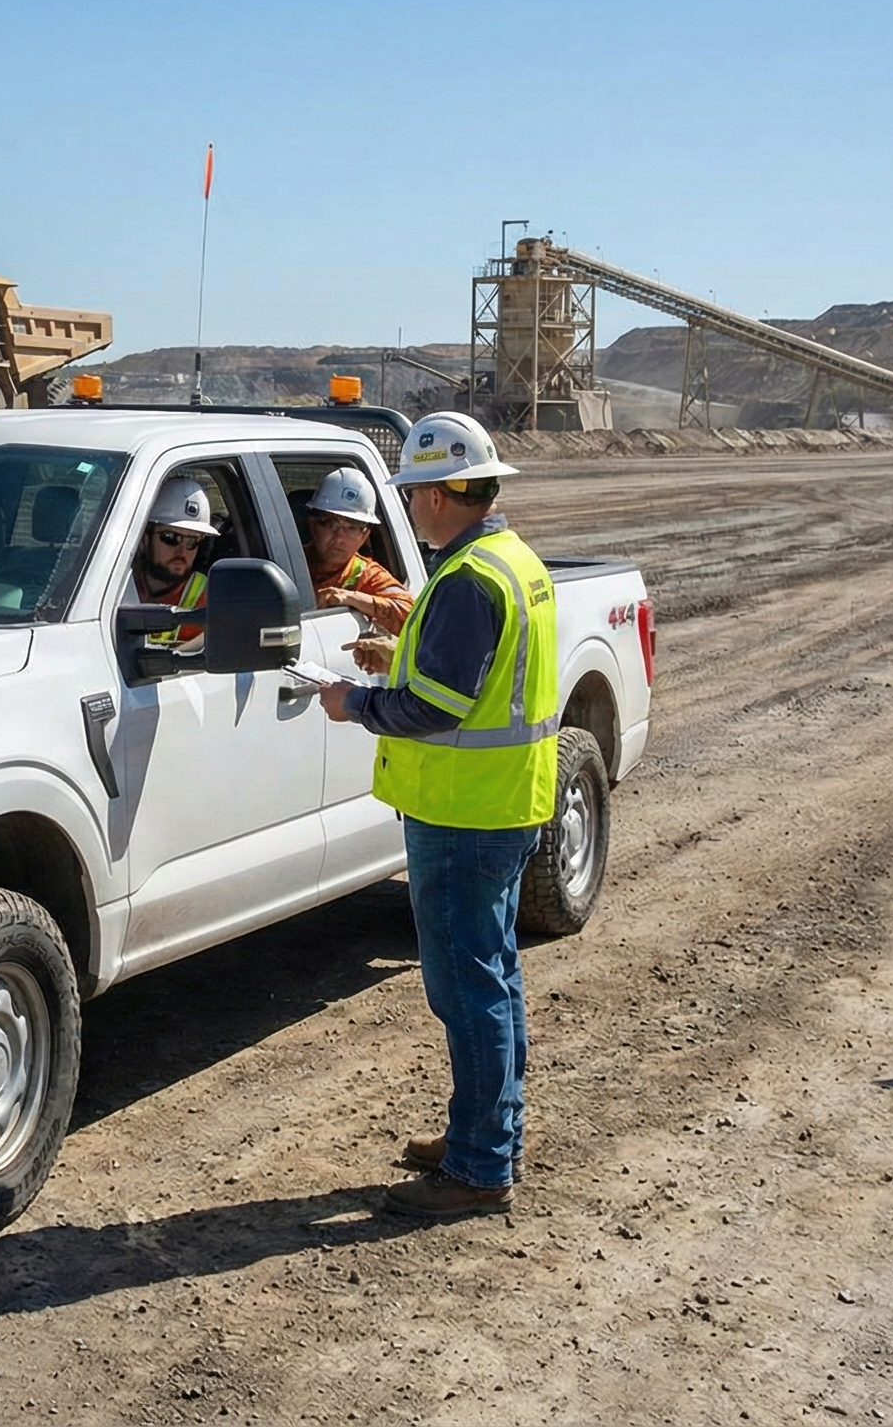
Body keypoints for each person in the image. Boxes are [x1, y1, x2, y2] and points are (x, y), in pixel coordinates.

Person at [316, 411, 558, 1219]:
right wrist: (402, 657)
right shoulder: (509, 561)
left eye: (416, 492)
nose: (410, 508)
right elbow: (474, 678)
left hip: (463, 813)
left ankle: (480, 1168)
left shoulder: (464, 579)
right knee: (494, 978)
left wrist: (358, 701)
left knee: (468, 990)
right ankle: (488, 1136)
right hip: (504, 801)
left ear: (447, 492)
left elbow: (436, 707)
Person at [301, 466, 413, 635]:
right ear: (313, 525)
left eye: (352, 528)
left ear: (364, 535)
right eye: (331, 524)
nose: (339, 538)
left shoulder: (367, 575)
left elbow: (411, 614)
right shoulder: (288, 563)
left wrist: (352, 598)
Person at [124, 476, 217, 645]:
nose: (182, 551)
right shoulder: (117, 587)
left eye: (192, 541)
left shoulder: (210, 599)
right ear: (144, 539)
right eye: (170, 537)